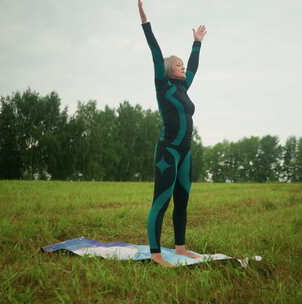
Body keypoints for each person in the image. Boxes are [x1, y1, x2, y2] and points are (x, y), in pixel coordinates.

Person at [138, 0, 207, 267]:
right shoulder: (162, 85)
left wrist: (197, 43)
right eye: (178, 65)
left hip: (185, 151)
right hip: (168, 150)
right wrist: (145, 22)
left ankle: (179, 247)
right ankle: (155, 252)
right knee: (162, 200)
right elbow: (154, 50)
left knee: (182, 199)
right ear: (168, 69)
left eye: (182, 65)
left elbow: (194, 67)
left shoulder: (183, 88)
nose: (182, 67)